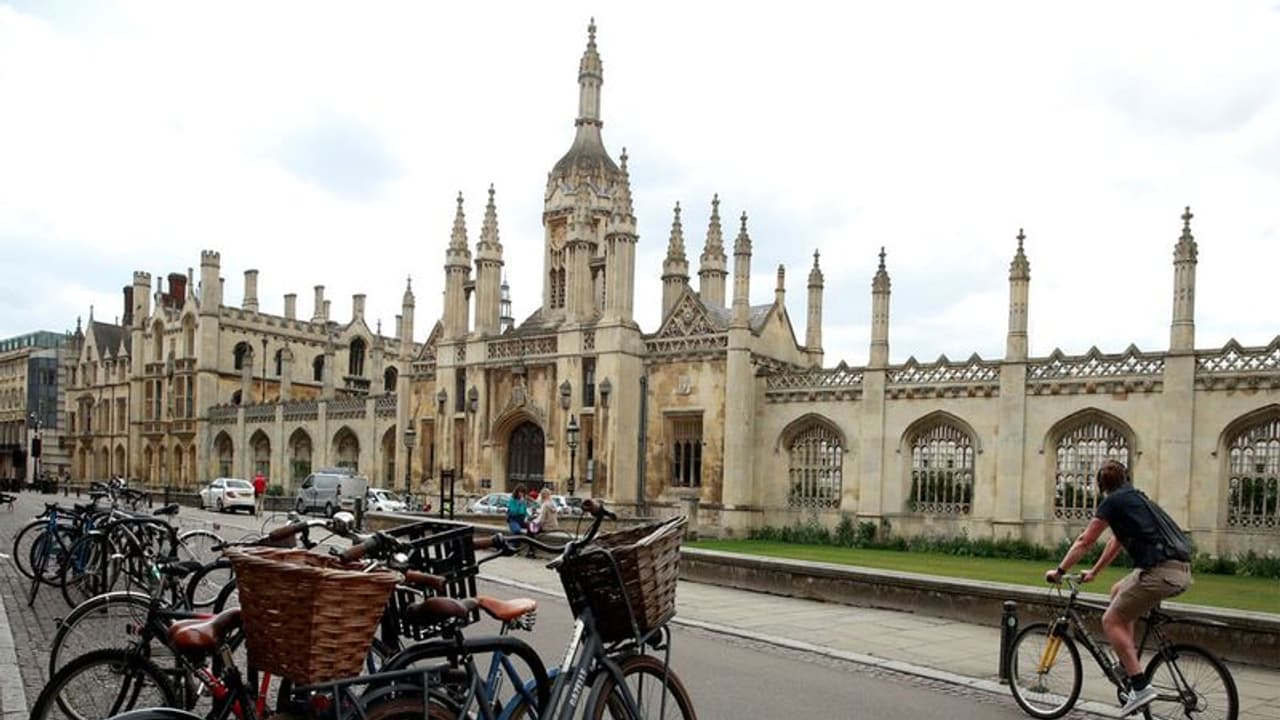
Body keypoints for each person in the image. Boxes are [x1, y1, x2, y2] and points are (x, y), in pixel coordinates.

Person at [1046, 459, 1192, 716]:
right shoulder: (1136, 498)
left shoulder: (1113, 502)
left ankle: (1140, 686)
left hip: (1160, 573)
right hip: (1179, 571)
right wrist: (1094, 572)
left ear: (1101, 486)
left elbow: (1085, 540)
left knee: (1111, 620)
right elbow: (1116, 541)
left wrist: (1059, 572)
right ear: (1126, 478)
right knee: (1117, 591)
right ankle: (1129, 662)